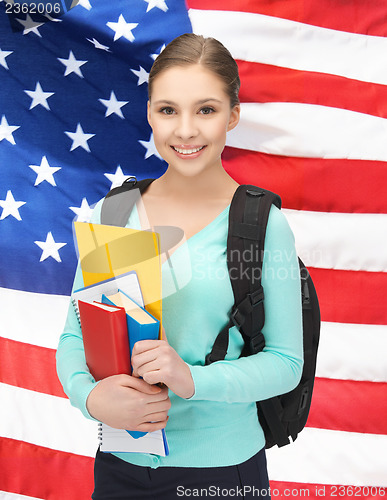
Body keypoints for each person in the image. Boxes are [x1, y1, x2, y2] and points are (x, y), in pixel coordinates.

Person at [56, 33, 303, 499]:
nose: (185, 130)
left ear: (232, 116)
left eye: (206, 110)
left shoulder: (261, 224)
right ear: (150, 113)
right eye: (168, 110)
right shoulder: (114, 212)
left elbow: (286, 362)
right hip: (118, 466)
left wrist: (192, 379)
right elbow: (75, 333)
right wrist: (89, 397)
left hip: (222, 473)